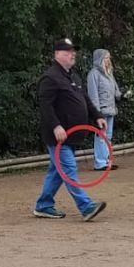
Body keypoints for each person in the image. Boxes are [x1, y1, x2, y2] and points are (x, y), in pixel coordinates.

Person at [33, 38, 108, 222]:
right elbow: (45, 106)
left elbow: (85, 99)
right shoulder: (50, 78)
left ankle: (43, 205)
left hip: (72, 135)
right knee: (68, 169)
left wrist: (97, 115)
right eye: (68, 51)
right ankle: (86, 206)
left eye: (73, 51)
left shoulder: (73, 77)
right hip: (58, 137)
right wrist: (56, 126)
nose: (72, 54)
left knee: (56, 171)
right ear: (57, 54)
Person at [86, 48, 122, 171]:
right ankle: (100, 163)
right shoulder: (93, 74)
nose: (108, 60)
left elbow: (115, 90)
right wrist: (96, 113)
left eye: (109, 57)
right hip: (101, 111)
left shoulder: (109, 73)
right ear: (100, 59)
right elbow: (93, 95)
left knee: (108, 136)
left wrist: (122, 95)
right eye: (106, 57)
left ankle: (107, 160)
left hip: (111, 109)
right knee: (101, 136)